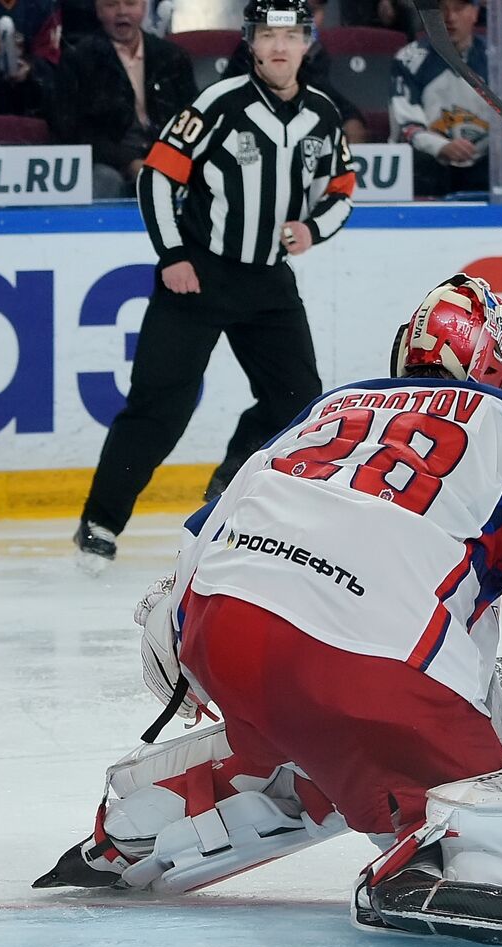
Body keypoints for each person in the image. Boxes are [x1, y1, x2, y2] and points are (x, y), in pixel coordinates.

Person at [39, 274, 502, 946]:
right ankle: (438, 861)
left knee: (342, 736)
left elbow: (205, 534)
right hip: (366, 667)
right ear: (501, 366)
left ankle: (153, 821)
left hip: (220, 631)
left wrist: (182, 635)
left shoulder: (333, 407)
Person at [74, 0, 356, 571]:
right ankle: (100, 523)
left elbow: (343, 188)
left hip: (269, 281)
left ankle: (228, 481)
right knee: (161, 407)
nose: (280, 47)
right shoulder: (219, 104)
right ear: (251, 41)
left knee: (298, 402)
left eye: (292, 35)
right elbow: (156, 174)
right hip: (198, 277)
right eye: (268, 35)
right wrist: (173, 254)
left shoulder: (323, 116)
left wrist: (311, 227)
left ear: (309, 43)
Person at [390, 0, 502, 197]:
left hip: (487, 162)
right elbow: (407, 126)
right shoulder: (408, 60)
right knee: (419, 165)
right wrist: (441, 146)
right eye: (441, 9)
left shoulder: (500, 59)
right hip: (434, 164)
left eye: (459, 9)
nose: (450, 18)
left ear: (475, 13)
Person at [53, 0, 199, 200]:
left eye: (130, 4)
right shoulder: (79, 59)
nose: (122, 12)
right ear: (98, 11)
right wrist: (129, 162)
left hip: (167, 154)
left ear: (143, 8)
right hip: (110, 161)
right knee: (104, 180)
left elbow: (192, 117)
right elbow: (73, 130)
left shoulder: (172, 57)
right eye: (111, 5)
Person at [222, 0, 369, 144]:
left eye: (314, 12)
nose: (309, 21)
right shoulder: (255, 51)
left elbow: (323, 91)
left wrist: (350, 118)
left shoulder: (316, 53)